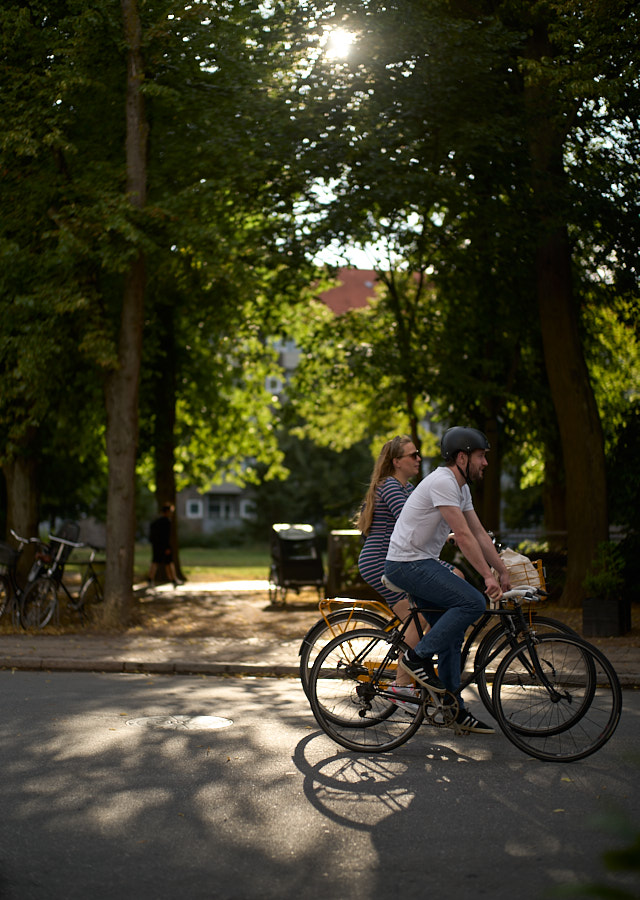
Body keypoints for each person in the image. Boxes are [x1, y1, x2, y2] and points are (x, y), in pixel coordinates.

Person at [384, 426, 511, 734]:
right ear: (462, 457)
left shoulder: (461, 487)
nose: (485, 463)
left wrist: (502, 570)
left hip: (419, 562)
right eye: (481, 456)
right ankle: (415, 658)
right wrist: (485, 576)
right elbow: (464, 536)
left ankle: (454, 709)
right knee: (473, 601)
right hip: (405, 564)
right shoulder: (443, 481)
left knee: (452, 632)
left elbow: (479, 533)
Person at [357, 435, 459, 707]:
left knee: (416, 620)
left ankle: (406, 679)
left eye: (418, 454)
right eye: (412, 455)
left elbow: (427, 517)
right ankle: (401, 686)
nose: (418, 459)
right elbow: (412, 520)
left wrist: (451, 531)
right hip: (383, 559)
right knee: (435, 601)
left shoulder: (407, 486)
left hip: (390, 558)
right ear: (396, 462)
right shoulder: (390, 485)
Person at [148, 503, 181, 588]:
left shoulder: (156, 522)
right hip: (163, 546)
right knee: (168, 562)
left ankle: (151, 579)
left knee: (156, 562)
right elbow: (166, 536)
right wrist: (167, 547)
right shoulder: (166, 522)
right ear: (167, 512)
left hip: (156, 546)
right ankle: (173, 579)